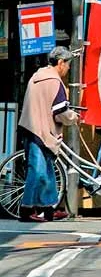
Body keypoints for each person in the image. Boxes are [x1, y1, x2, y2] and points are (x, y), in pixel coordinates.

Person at [18, 47, 80, 222]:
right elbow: (60, 112)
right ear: (60, 63)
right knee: (37, 171)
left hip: (31, 126)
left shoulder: (37, 77)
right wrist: (73, 117)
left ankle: (48, 209)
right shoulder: (55, 81)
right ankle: (26, 209)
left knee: (46, 170)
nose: (68, 69)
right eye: (68, 65)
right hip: (41, 130)